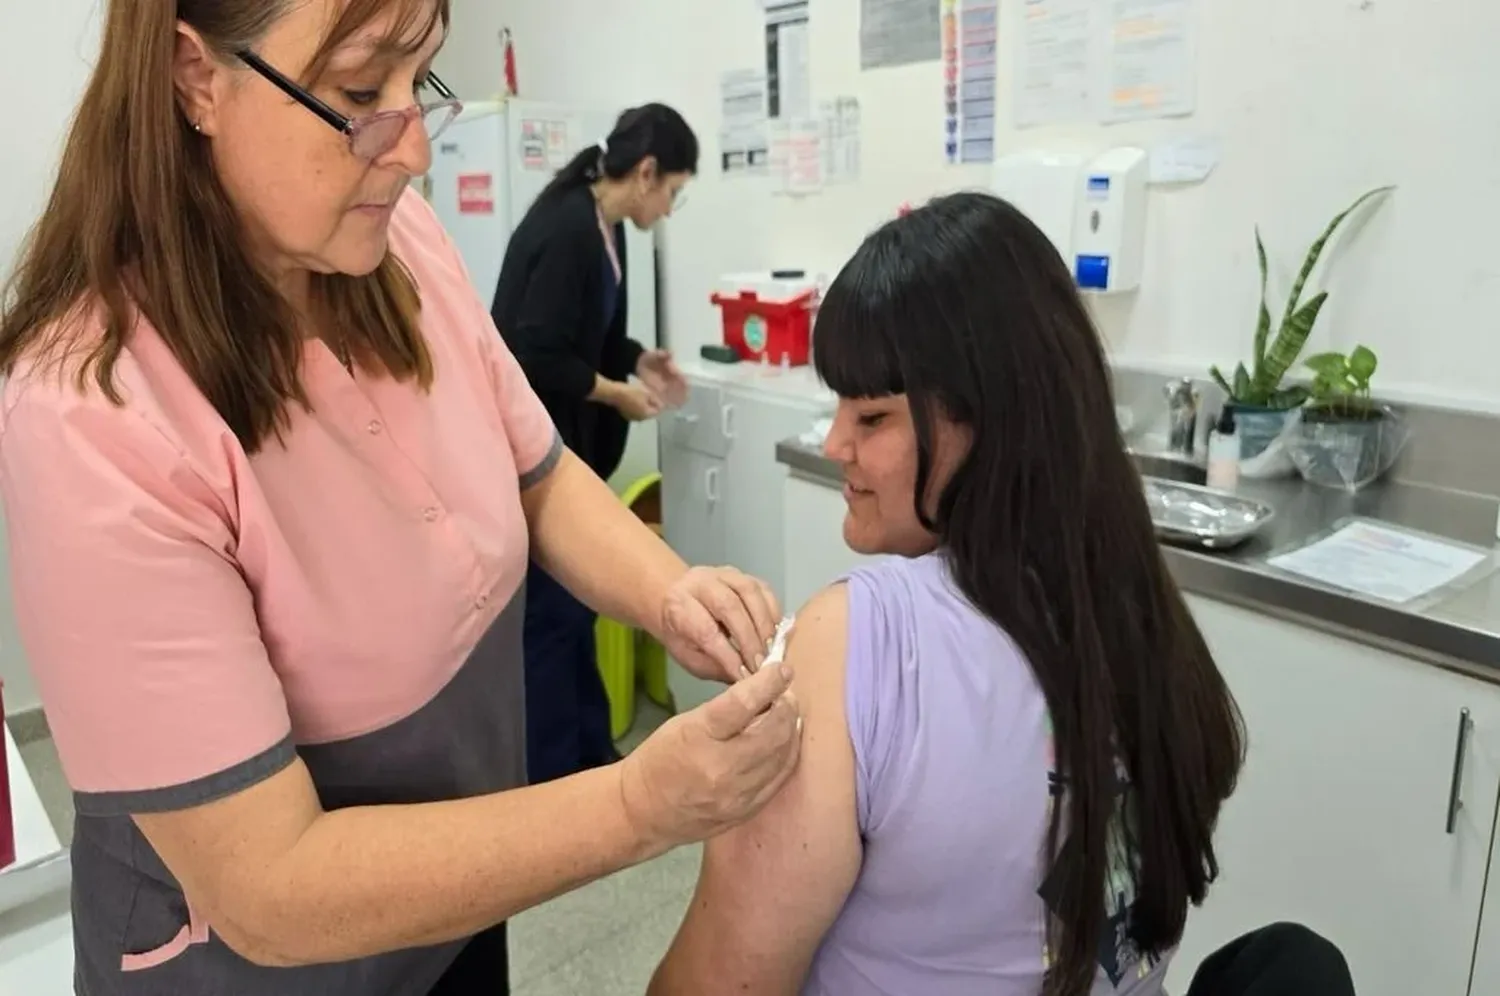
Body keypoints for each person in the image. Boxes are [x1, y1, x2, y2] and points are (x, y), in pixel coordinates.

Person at [0, 2, 801, 994]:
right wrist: (642, 804)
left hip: (453, 909)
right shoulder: (91, 412)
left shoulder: (400, 245)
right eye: (357, 93)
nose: (415, 150)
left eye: (418, 83)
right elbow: (273, 888)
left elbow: (539, 475)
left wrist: (669, 591)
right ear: (195, 77)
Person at [649, 192, 1247, 996]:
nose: (834, 446)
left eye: (872, 417)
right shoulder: (1140, 612)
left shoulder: (861, 642)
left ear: (990, 423)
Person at [491, 103, 695, 783]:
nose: (667, 208)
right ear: (645, 173)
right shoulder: (568, 230)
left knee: (578, 610)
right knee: (551, 622)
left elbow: (594, 335)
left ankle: (592, 757)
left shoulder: (608, 229)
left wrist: (639, 361)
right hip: (531, 457)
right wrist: (614, 394)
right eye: (671, 190)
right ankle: (552, 779)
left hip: (570, 452)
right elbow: (532, 352)